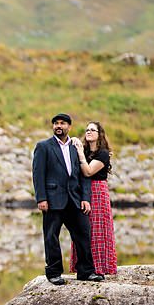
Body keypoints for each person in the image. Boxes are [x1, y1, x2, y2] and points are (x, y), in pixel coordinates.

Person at [31, 113, 103, 285]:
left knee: (83, 233)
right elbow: (37, 174)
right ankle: (54, 272)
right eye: (56, 123)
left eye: (62, 123)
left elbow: (84, 176)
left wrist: (85, 198)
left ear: (69, 127)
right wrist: (41, 198)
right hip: (52, 199)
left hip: (75, 199)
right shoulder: (43, 146)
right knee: (51, 236)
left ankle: (86, 271)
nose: (58, 126)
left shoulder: (76, 147)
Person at [70, 121, 118, 276]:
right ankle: (83, 267)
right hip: (82, 191)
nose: (88, 132)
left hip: (97, 190)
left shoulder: (103, 153)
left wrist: (80, 155)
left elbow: (89, 171)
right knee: (83, 228)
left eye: (92, 130)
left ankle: (100, 267)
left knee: (98, 229)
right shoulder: (83, 150)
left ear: (99, 134)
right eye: (87, 130)